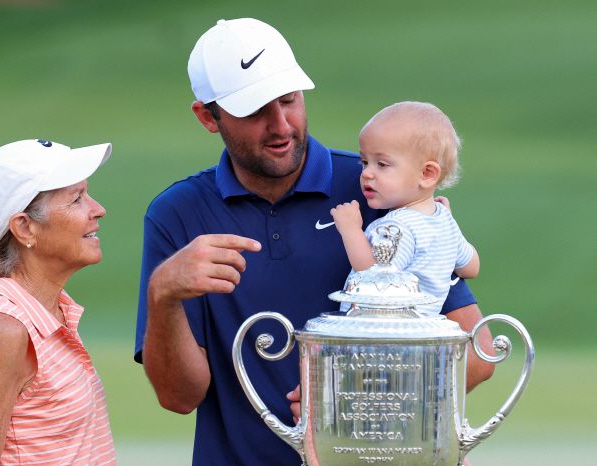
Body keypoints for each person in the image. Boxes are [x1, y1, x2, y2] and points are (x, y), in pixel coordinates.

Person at [134, 18, 494, 466]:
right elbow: (178, 396)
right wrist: (162, 293)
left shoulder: (380, 190)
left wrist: (354, 401)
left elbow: (477, 353)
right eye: (255, 111)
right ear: (208, 116)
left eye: (289, 100)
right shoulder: (178, 213)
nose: (281, 124)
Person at [0, 139, 116, 465]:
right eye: (77, 199)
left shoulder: (49, 311)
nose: (98, 209)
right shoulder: (5, 329)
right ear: (25, 227)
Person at [331, 101, 480, 315]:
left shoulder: (396, 227)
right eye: (364, 162)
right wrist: (449, 226)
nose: (366, 173)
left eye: (382, 164)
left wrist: (350, 230)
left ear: (427, 174)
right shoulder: (444, 221)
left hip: (381, 331)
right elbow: (471, 267)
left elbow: (374, 277)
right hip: (419, 333)